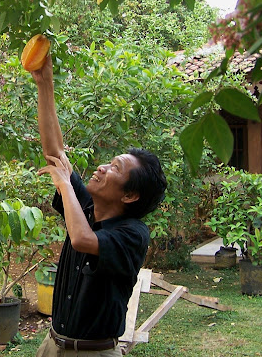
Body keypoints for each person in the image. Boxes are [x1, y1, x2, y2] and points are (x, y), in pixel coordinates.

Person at [31, 55, 167, 357]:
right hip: (53, 345)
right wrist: (45, 84)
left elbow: (82, 240)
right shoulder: (89, 207)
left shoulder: (133, 234)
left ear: (130, 196)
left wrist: (65, 184)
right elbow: (55, 154)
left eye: (115, 168)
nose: (103, 167)